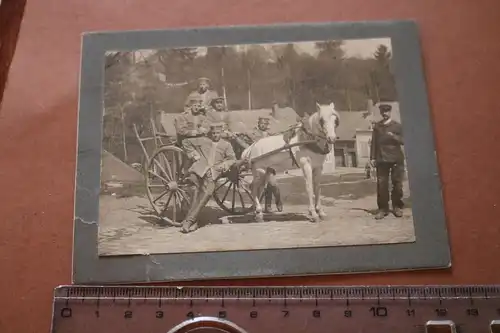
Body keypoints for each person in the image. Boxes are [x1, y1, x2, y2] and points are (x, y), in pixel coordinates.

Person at [180, 123, 246, 233]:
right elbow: (185, 142)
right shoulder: (203, 140)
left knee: (207, 192)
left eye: (217, 133)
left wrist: (225, 164)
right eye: (213, 133)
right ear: (211, 133)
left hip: (213, 173)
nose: (215, 135)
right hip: (198, 170)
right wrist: (193, 154)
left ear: (221, 133)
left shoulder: (226, 145)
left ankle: (189, 221)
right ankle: (192, 220)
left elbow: (232, 159)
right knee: (193, 190)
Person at [370, 103, 405, 219]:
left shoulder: (397, 126)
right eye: (382, 112)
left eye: (386, 112)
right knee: (381, 185)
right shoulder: (377, 127)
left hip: (396, 158)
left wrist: (393, 136)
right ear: (381, 113)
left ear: (390, 112)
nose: (384, 114)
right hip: (381, 158)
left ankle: (397, 207)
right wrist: (372, 158)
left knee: (397, 184)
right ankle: (383, 209)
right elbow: (374, 143)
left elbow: (404, 141)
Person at [247, 116, 283, 213]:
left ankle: (277, 200)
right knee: (261, 183)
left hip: (269, 162)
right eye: (261, 123)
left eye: (265, 124)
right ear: (258, 123)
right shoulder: (254, 134)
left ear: (267, 125)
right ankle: (262, 205)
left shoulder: (270, 136)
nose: (263, 125)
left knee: (272, 184)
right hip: (258, 161)